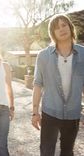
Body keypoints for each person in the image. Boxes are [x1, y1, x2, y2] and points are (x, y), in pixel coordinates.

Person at [32, 14, 84, 156]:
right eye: (56, 28)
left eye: (64, 25)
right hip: (50, 113)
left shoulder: (83, 54)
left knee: (67, 152)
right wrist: (35, 112)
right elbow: (37, 84)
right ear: (52, 33)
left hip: (73, 113)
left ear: (70, 27)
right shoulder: (43, 55)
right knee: (46, 151)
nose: (61, 29)